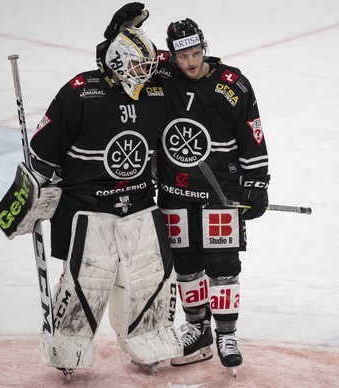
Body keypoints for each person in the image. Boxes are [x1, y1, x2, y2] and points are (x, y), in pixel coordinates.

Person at [102, 4, 270, 373]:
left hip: (221, 195)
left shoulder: (233, 85)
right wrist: (117, 31)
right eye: (182, 55)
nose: (190, 62)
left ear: (203, 48)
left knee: (224, 265)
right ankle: (197, 329)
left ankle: (227, 333)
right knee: (187, 266)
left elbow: (252, 136)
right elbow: (118, 62)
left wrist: (257, 184)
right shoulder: (161, 72)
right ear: (171, 54)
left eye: (195, 53)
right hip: (175, 193)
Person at [21, 26, 182, 378]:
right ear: (118, 63)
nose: (147, 73)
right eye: (139, 66)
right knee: (86, 283)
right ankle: (68, 347)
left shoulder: (155, 91)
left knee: (150, 278)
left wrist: (119, 32)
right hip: (87, 207)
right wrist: (36, 191)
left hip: (140, 203)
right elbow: (42, 156)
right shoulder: (81, 92)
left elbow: (181, 63)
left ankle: (148, 339)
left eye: (148, 65)